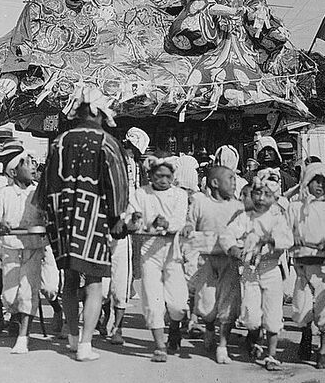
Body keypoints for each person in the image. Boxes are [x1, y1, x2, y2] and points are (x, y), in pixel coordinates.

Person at [37, 86, 129, 362]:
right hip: (93, 219)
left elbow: (44, 186)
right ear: (94, 111)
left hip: (62, 219)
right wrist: (116, 217)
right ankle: (85, 344)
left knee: (69, 280)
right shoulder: (107, 142)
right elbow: (117, 184)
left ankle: (72, 338)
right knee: (94, 282)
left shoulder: (60, 141)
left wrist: (47, 215)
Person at [167, 0, 291, 107]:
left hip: (243, 43)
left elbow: (257, 4)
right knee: (202, 70)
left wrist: (256, 13)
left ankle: (244, 90)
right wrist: (227, 12)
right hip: (217, 41)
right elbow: (201, 6)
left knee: (253, 63)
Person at [221, 168, 293, 369]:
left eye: (267, 195)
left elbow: (288, 239)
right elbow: (227, 234)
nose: (261, 198)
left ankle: (271, 354)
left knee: (272, 313)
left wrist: (271, 239)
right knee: (251, 316)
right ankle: (254, 336)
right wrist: (234, 247)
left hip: (271, 269)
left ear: (274, 197)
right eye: (257, 194)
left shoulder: (278, 217)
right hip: (250, 270)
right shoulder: (245, 217)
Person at [126, 156, 191, 362]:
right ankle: (160, 346)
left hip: (173, 250)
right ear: (150, 175)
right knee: (153, 301)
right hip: (149, 250)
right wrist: (135, 221)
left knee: (178, 303)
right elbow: (131, 219)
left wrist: (165, 224)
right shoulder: (140, 194)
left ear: (174, 177)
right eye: (158, 175)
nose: (163, 180)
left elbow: (179, 221)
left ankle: (175, 325)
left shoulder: (180, 195)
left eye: (168, 176)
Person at [0, 147, 46, 355]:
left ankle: (23, 337)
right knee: (10, 296)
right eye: (28, 164)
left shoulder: (39, 193)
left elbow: (49, 214)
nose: (33, 167)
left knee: (29, 292)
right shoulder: (4, 194)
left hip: (33, 249)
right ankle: (16, 319)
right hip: (10, 250)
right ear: (14, 171)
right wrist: (0, 223)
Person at [287, 162, 325, 369]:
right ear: (306, 182)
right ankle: (306, 337)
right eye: (314, 180)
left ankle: (323, 352)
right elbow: (285, 231)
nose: (319, 185)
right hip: (302, 266)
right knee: (302, 309)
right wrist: (294, 237)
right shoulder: (295, 208)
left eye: (323, 181)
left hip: (324, 268)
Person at [188, 166, 245, 364]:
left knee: (228, 302)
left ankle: (223, 345)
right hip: (206, 259)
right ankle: (209, 329)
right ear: (214, 183)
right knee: (207, 303)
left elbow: (242, 230)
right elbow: (191, 223)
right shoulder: (200, 202)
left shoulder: (237, 206)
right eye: (229, 178)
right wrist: (188, 229)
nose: (234, 182)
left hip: (229, 260)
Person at [100, 127, 150, 344]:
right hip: (103, 227)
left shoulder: (139, 170)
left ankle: (117, 328)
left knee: (121, 282)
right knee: (101, 285)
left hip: (124, 231)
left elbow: (138, 199)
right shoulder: (105, 164)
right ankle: (104, 316)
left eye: (132, 150)